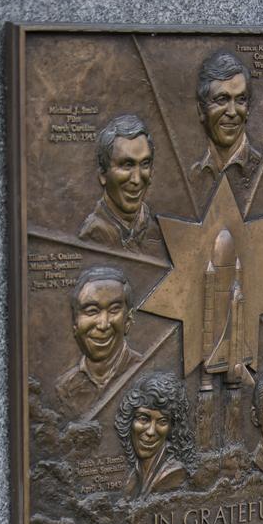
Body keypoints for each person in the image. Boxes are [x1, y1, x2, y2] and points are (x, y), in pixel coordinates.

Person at [55, 267, 141, 417]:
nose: (103, 324)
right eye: (92, 311)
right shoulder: (64, 387)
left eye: (114, 310)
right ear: (75, 322)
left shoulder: (144, 372)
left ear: (128, 319)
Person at [79, 115, 162, 253]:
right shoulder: (91, 237)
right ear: (103, 174)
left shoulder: (160, 231)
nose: (136, 179)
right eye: (127, 165)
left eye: (145, 164)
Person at [191, 52, 262, 196]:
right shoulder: (195, 175)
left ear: (248, 109)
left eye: (241, 100)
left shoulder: (261, 168)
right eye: (222, 99)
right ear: (201, 110)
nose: (232, 112)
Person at [116, 371, 194, 496]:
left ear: (171, 429)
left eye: (162, 421)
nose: (151, 431)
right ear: (129, 420)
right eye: (143, 419)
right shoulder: (132, 476)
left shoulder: (174, 473)